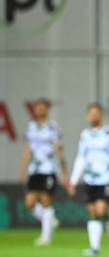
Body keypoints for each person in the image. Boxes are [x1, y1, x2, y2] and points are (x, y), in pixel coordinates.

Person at [67, 103, 109, 256]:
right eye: (91, 113)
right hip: (89, 179)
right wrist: (73, 180)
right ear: (87, 116)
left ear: (102, 115)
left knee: (101, 209)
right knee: (93, 212)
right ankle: (95, 247)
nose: (94, 116)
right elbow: (81, 158)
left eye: (96, 113)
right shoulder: (85, 135)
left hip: (105, 178)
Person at [18, 98, 69, 246]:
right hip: (34, 169)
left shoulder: (53, 127)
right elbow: (27, 150)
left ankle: (46, 237)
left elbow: (59, 149)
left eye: (42, 107)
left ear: (47, 109)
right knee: (29, 203)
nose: (39, 110)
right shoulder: (31, 127)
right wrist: (22, 170)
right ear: (34, 110)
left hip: (49, 169)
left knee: (46, 201)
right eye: (37, 107)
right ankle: (50, 219)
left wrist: (64, 172)